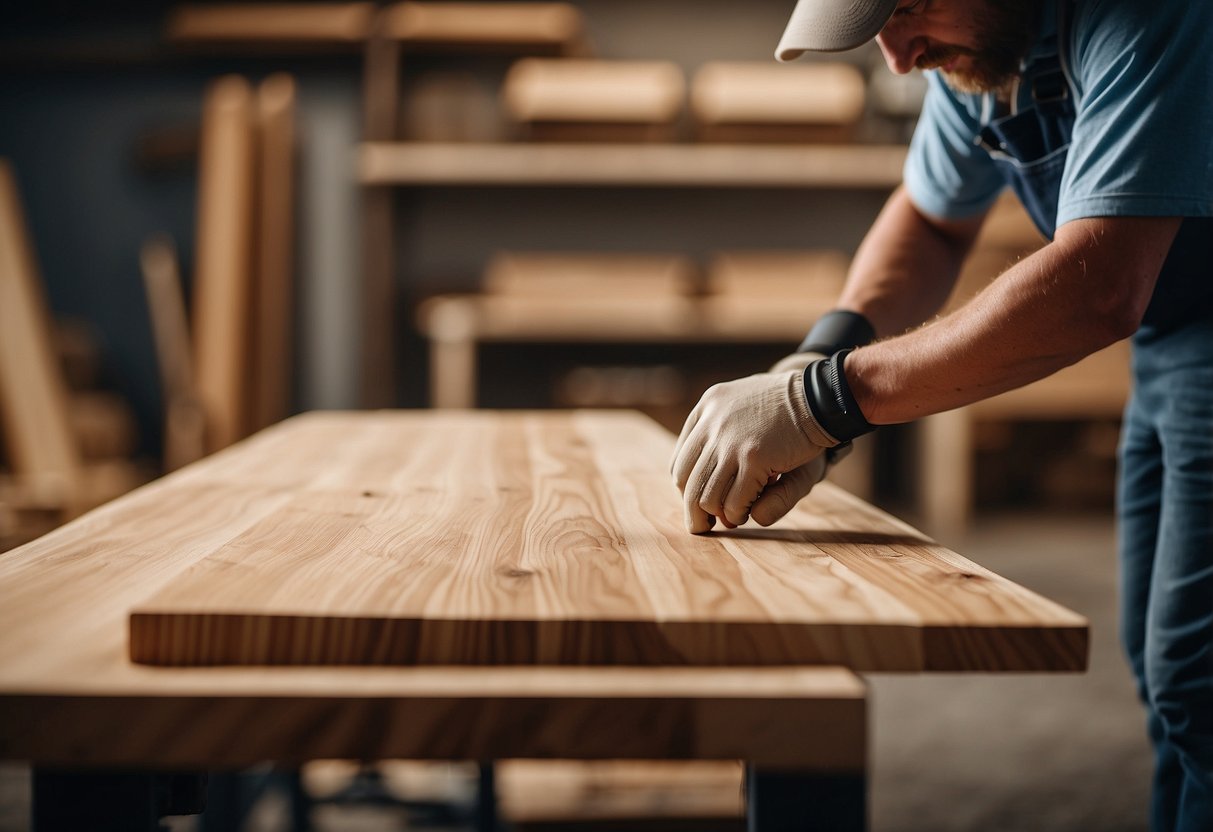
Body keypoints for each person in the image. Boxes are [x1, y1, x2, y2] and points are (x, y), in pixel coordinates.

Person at [670, 1, 1212, 828]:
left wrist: (823, 405)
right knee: (1165, 676)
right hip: (1177, 337)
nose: (896, 56)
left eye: (907, 5)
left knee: (1200, 676)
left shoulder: (1144, 14)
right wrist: (815, 359)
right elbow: (927, 220)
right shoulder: (980, 48)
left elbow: (1099, 287)